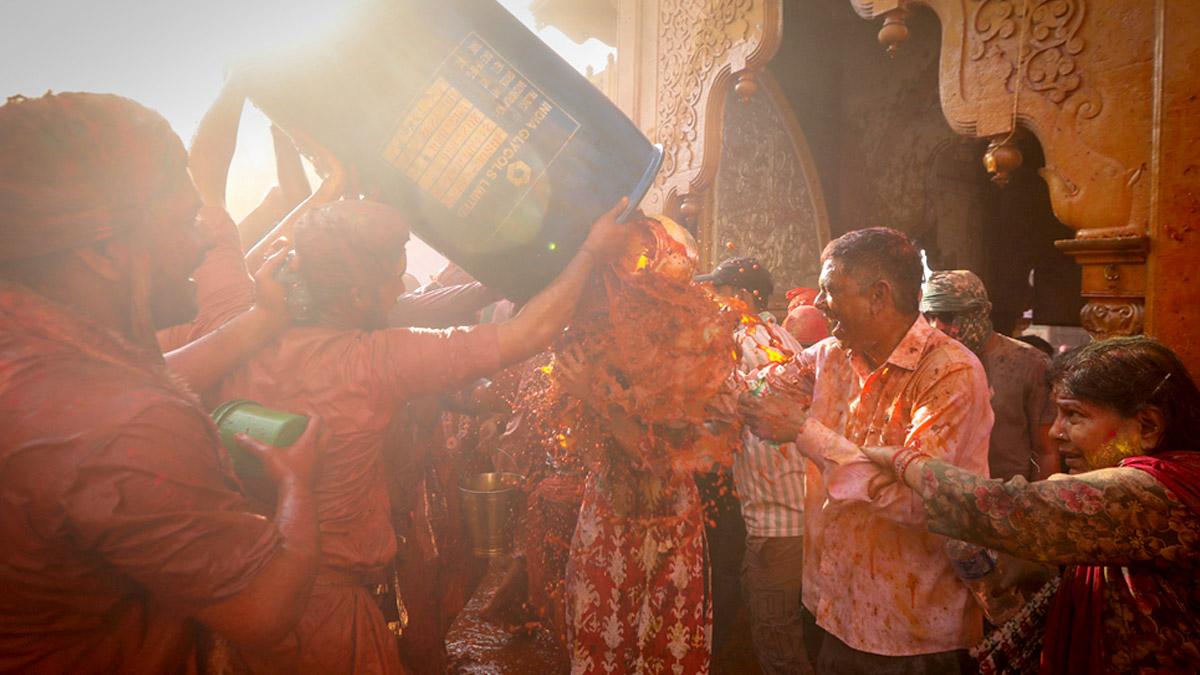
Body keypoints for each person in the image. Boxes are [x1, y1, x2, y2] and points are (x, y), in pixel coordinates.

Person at [214, 195, 631, 674]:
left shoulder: (239, 325)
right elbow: (525, 334)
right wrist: (591, 253)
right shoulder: (372, 361)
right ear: (356, 297)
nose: (399, 292)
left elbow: (417, 304)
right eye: (394, 279)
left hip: (249, 598)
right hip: (326, 613)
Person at [0, 92, 324, 672]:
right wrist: (297, 486)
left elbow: (99, 397)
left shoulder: (30, 340)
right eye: (182, 221)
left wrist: (264, 319)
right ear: (104, 249)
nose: (203, 240)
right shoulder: (126, 425)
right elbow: (265, 611)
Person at [860, 336, 1200, 673]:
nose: (1055, 432)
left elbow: (1018, 509)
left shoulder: (1157, 492)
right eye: (1058, 414)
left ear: (1148, 426)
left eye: (1074, 415)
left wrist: (907, 463)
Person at [740, 227, 991, 673]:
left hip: (909, 627)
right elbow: (757, 393)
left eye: (830, 290)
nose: (818, 303)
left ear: (879, 295)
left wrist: (802, 429)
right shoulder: (830, 356)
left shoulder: (950, 372)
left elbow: (918, 498)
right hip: (834, 606)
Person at [698, 257, 812, 674]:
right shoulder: (783, 337)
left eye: (717, 295)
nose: (711, 304)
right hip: (796, 509)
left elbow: (716, 413)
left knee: (777, 642)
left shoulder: (741, 343)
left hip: (775, 521)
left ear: (743, 298)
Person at [921, 270, 1058, 480]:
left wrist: (1038, 507)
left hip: (1008, 501)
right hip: (947, 499)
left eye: (947, 316)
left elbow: (1046, 450)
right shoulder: (925, 365)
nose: (936, 326)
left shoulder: (1029, 364)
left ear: (980, 313)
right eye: (929, 316)